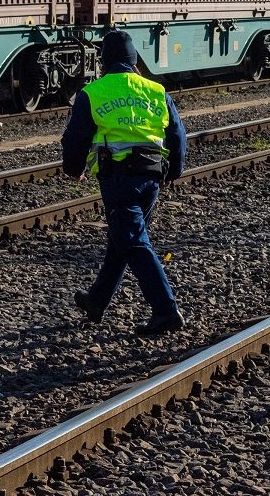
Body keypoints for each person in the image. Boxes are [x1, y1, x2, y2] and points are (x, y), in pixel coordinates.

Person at [63, 31, 188, 334]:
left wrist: (73, 169)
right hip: (152, 179)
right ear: (134, 61)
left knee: (133, 242)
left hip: (119, 179)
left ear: (103, 61)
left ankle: (166, 310)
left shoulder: (93, 92)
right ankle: (97, 300)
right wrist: (174, 171)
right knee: (124, 239)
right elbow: (177, 136)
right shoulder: (157, 91)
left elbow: (75, 138)